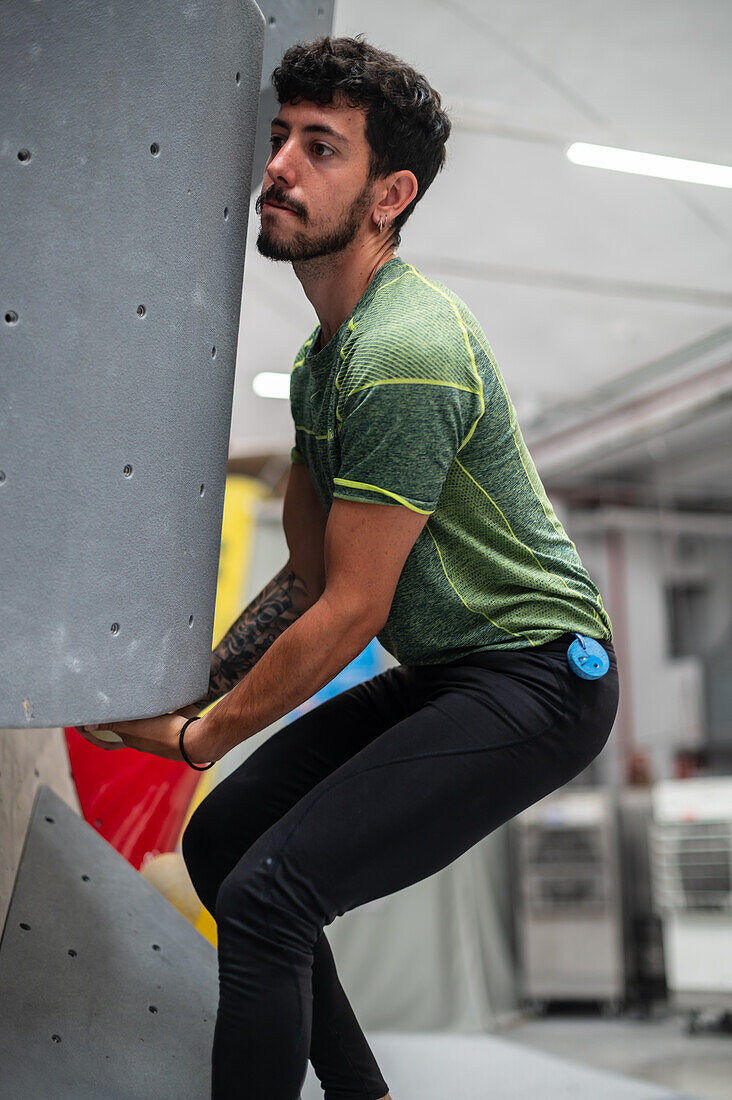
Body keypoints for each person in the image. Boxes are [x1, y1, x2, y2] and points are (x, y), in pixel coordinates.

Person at [79, 35, 619, 1100]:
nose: (278, 165)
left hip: (541, 677)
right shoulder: (326, 361)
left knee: (273, 895)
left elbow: (353, 607)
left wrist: (197, 736)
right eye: (280, 138)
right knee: (229, 840)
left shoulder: (404, 353)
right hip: (456, 666)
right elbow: (302, 576)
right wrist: (190, 691)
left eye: (321, 148)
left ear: (389, 193)